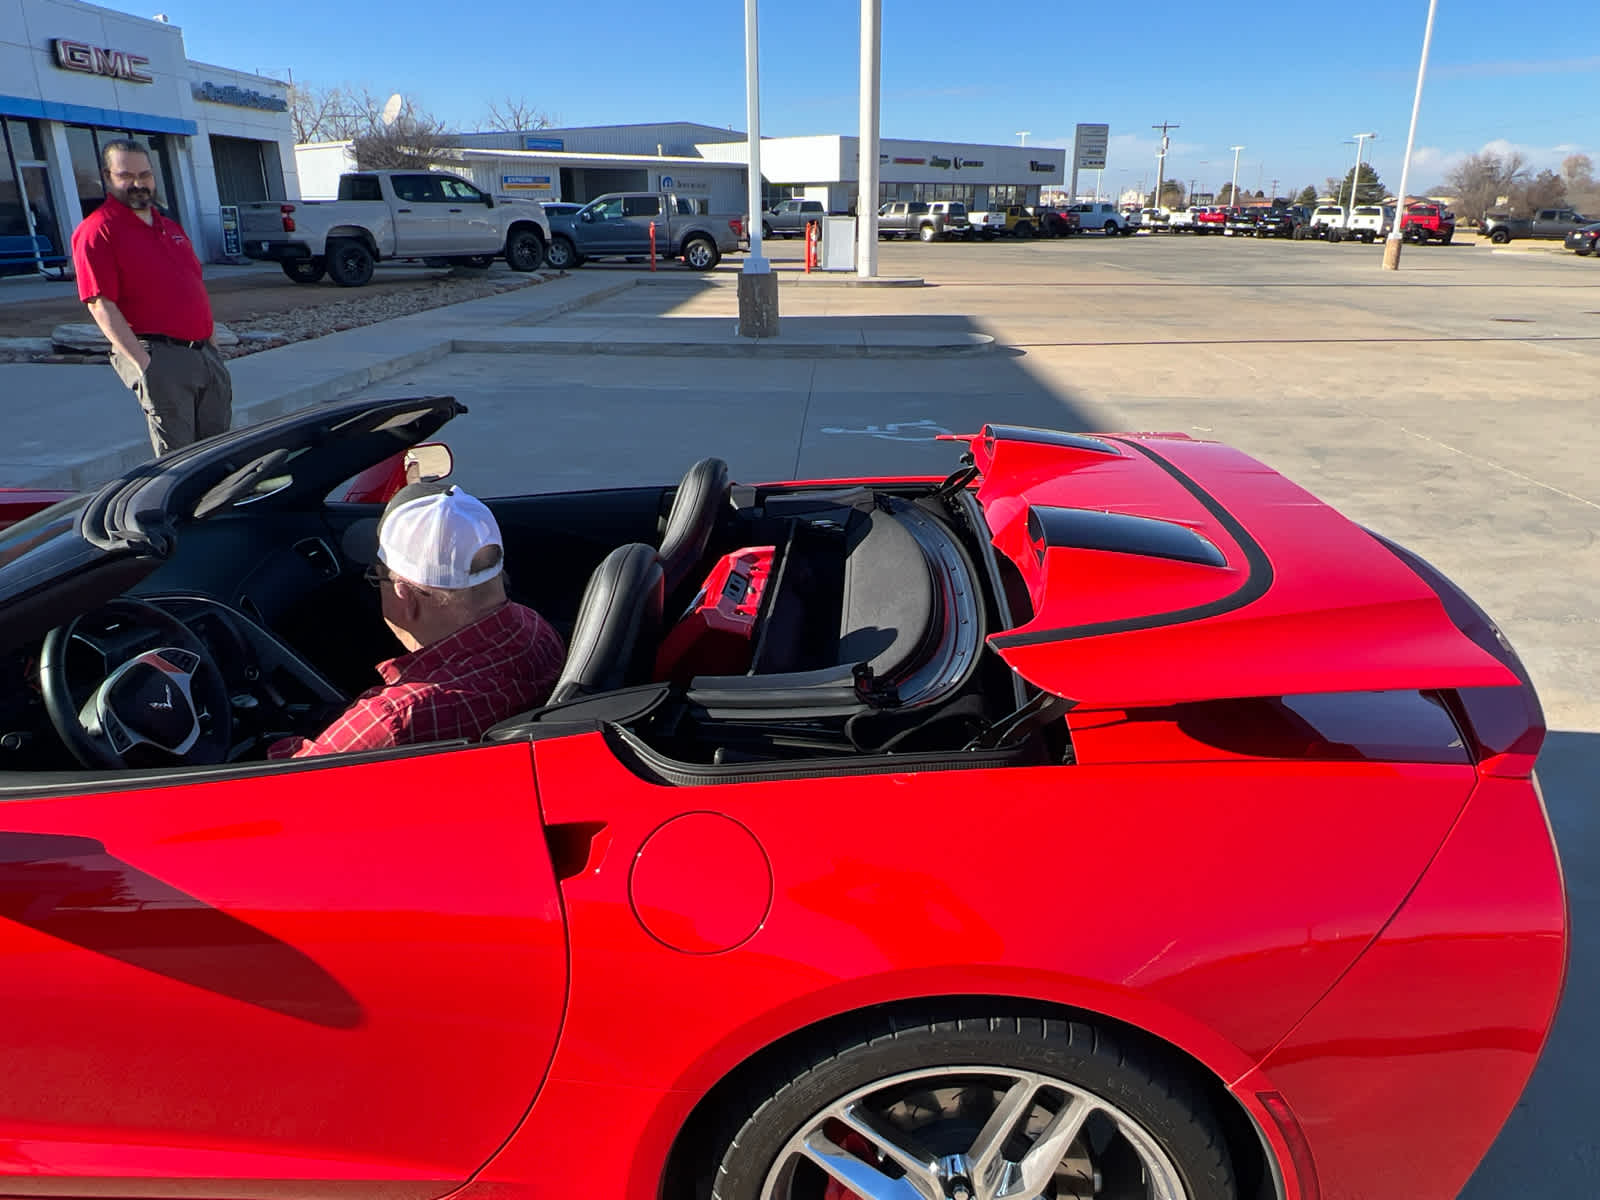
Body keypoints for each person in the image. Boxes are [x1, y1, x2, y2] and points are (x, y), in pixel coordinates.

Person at [269, 485, 565, 759]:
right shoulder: (536, 630)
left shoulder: (392, 720)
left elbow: (284, 784)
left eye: (377, 577)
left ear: (405, 595)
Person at [70, 138, 232, 456]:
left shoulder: (170, 227)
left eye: (144, 174)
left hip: (204, 355)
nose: (138, 184)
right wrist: (145, 365)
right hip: (160, 356)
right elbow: (100, 304)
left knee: (219, 454)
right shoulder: (98, 230)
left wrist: (212, 348)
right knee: (181, 461)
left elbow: (194, 287)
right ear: (107, 177)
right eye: (126, 176)